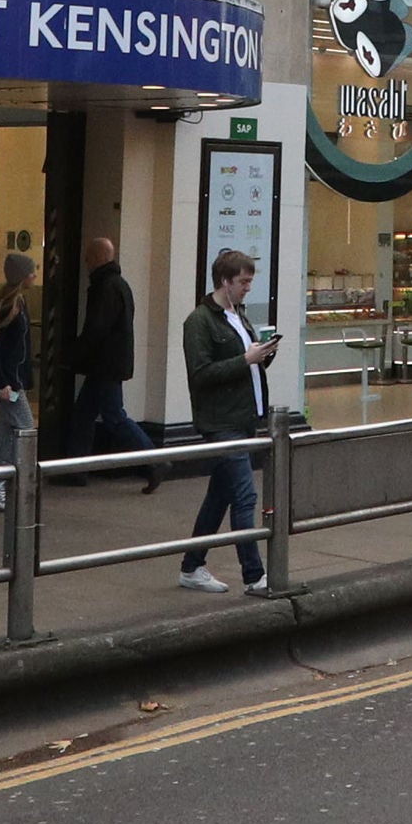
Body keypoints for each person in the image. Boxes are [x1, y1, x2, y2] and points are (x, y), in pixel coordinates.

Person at [177, 248, 275, 593]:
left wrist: (262, 355)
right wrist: (246, 359)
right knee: (245, 496)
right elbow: (200, 373)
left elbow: (246, 364)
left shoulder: (238, 315)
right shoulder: (199, 322)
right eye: (243, 282)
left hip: (243, 417)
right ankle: (254, 575)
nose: (248, 287)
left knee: (219, 497)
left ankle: (191, 566)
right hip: (221, 421)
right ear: (225, 281)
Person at [66, 234, 160, 487]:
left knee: (113, 417)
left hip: (104, 365)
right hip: (109, 364)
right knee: (84, 415)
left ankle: (155, 460)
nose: (85, 261)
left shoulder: (105, 287)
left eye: (88, 257)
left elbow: (96, 328)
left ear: (97, 258)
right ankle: (77, 469)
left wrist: (74, 355)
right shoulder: (118, 285)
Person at [0, 250, 39, 514]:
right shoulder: (8, 305)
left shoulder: (13, 302)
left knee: (4, 429)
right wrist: (3, 381)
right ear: (22, 276)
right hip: (9, 382)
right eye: (31, 270)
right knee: (24, 428)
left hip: (12, 379)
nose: (34, 274)